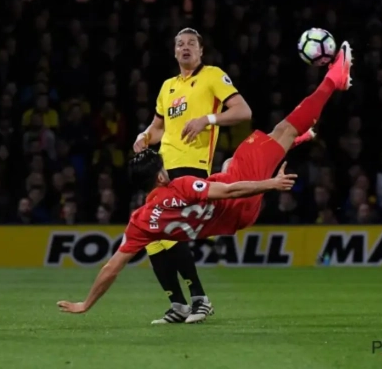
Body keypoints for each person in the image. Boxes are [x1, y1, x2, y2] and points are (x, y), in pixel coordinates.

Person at [56, 41, 353, 316]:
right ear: (161, 175)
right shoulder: (181, 185)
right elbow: (230, 191)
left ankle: (295, 140)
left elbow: (112, 267)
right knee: (283, 129)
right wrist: (271, 184)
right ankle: (333, 81)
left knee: (231, 162)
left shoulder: (140, 221)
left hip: (231, 217)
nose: (185, 47)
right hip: (238, 200)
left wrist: (85, 304)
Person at [132, 27, 252, 324]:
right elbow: (158, 128)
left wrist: (207, 119)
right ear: (174, 52)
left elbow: (243, 111)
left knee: (169, 231)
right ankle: (178, 304)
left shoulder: (212, 76)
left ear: (200, 51)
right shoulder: (168, 86)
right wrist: (144, 136)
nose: (185, 47)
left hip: (192, 166)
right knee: (153, 236)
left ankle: (199, 299)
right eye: (180, 44)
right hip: (162, 170)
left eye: (191, 44)